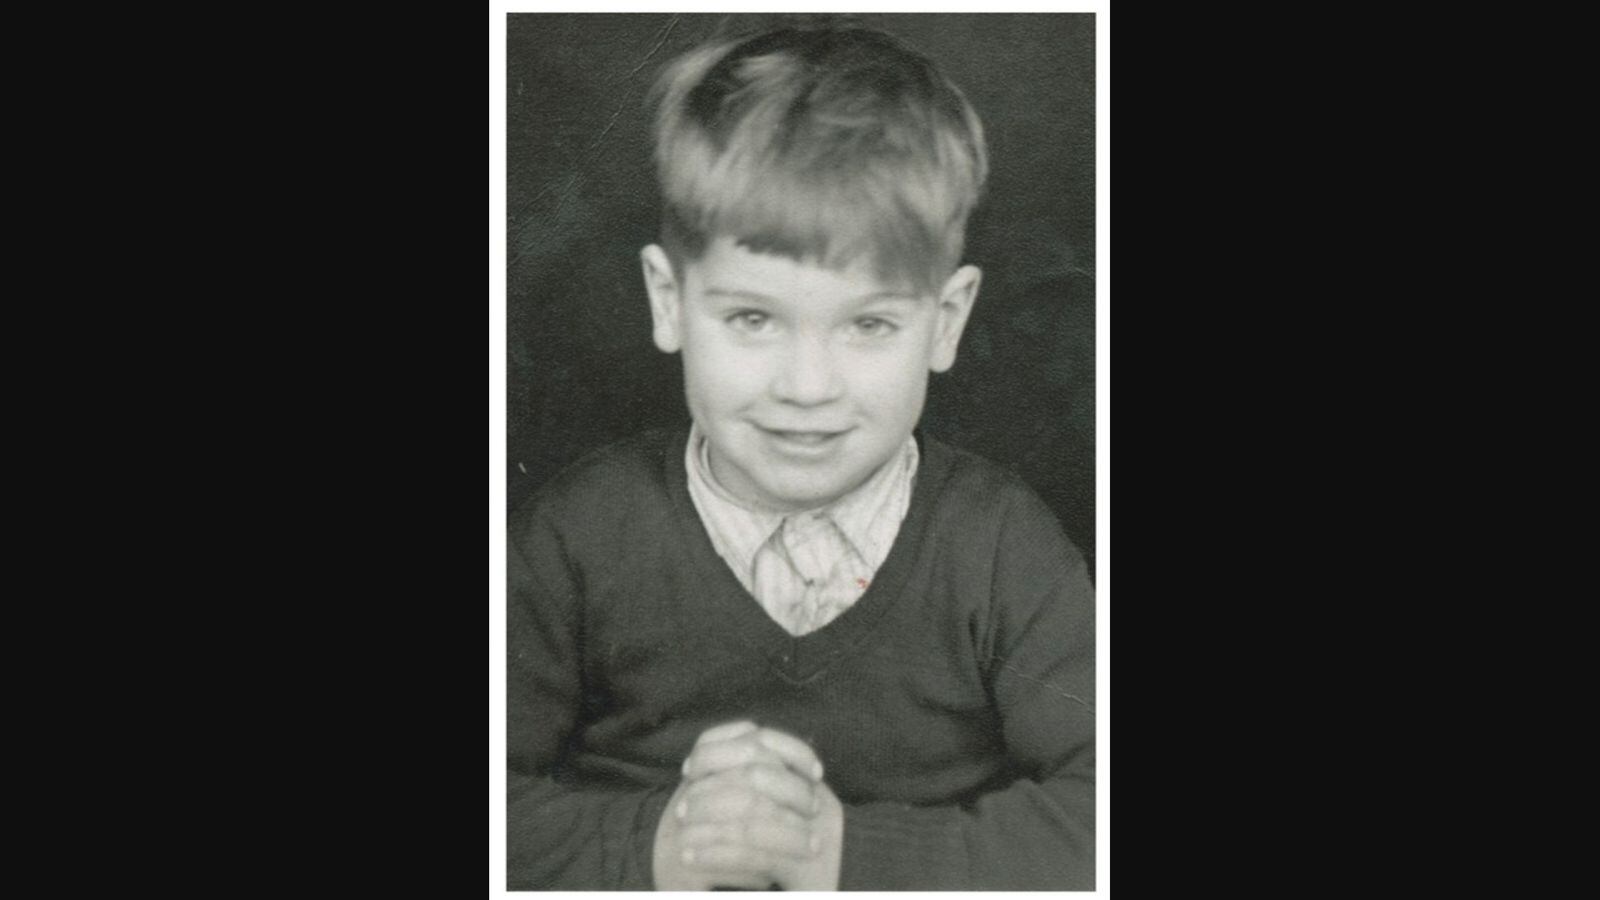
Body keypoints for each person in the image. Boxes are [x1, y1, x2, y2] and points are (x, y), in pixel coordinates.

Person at [508, 24, 1094, 890]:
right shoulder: (577, 535)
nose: (808, 387)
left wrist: (846, 858)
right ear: (669, 301)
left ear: (946, 322)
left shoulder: (1003, 546)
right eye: (753, 319)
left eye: (870, 324)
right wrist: (650, 847)